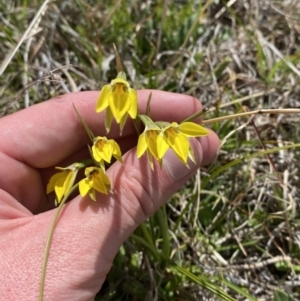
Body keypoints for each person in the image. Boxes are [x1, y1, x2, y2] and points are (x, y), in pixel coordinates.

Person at [0, 90, 220, 300]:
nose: (120, 91)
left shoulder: (157, 131)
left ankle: (161, 267)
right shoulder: (97, 164)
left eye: (123, 90)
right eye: (116, 89)